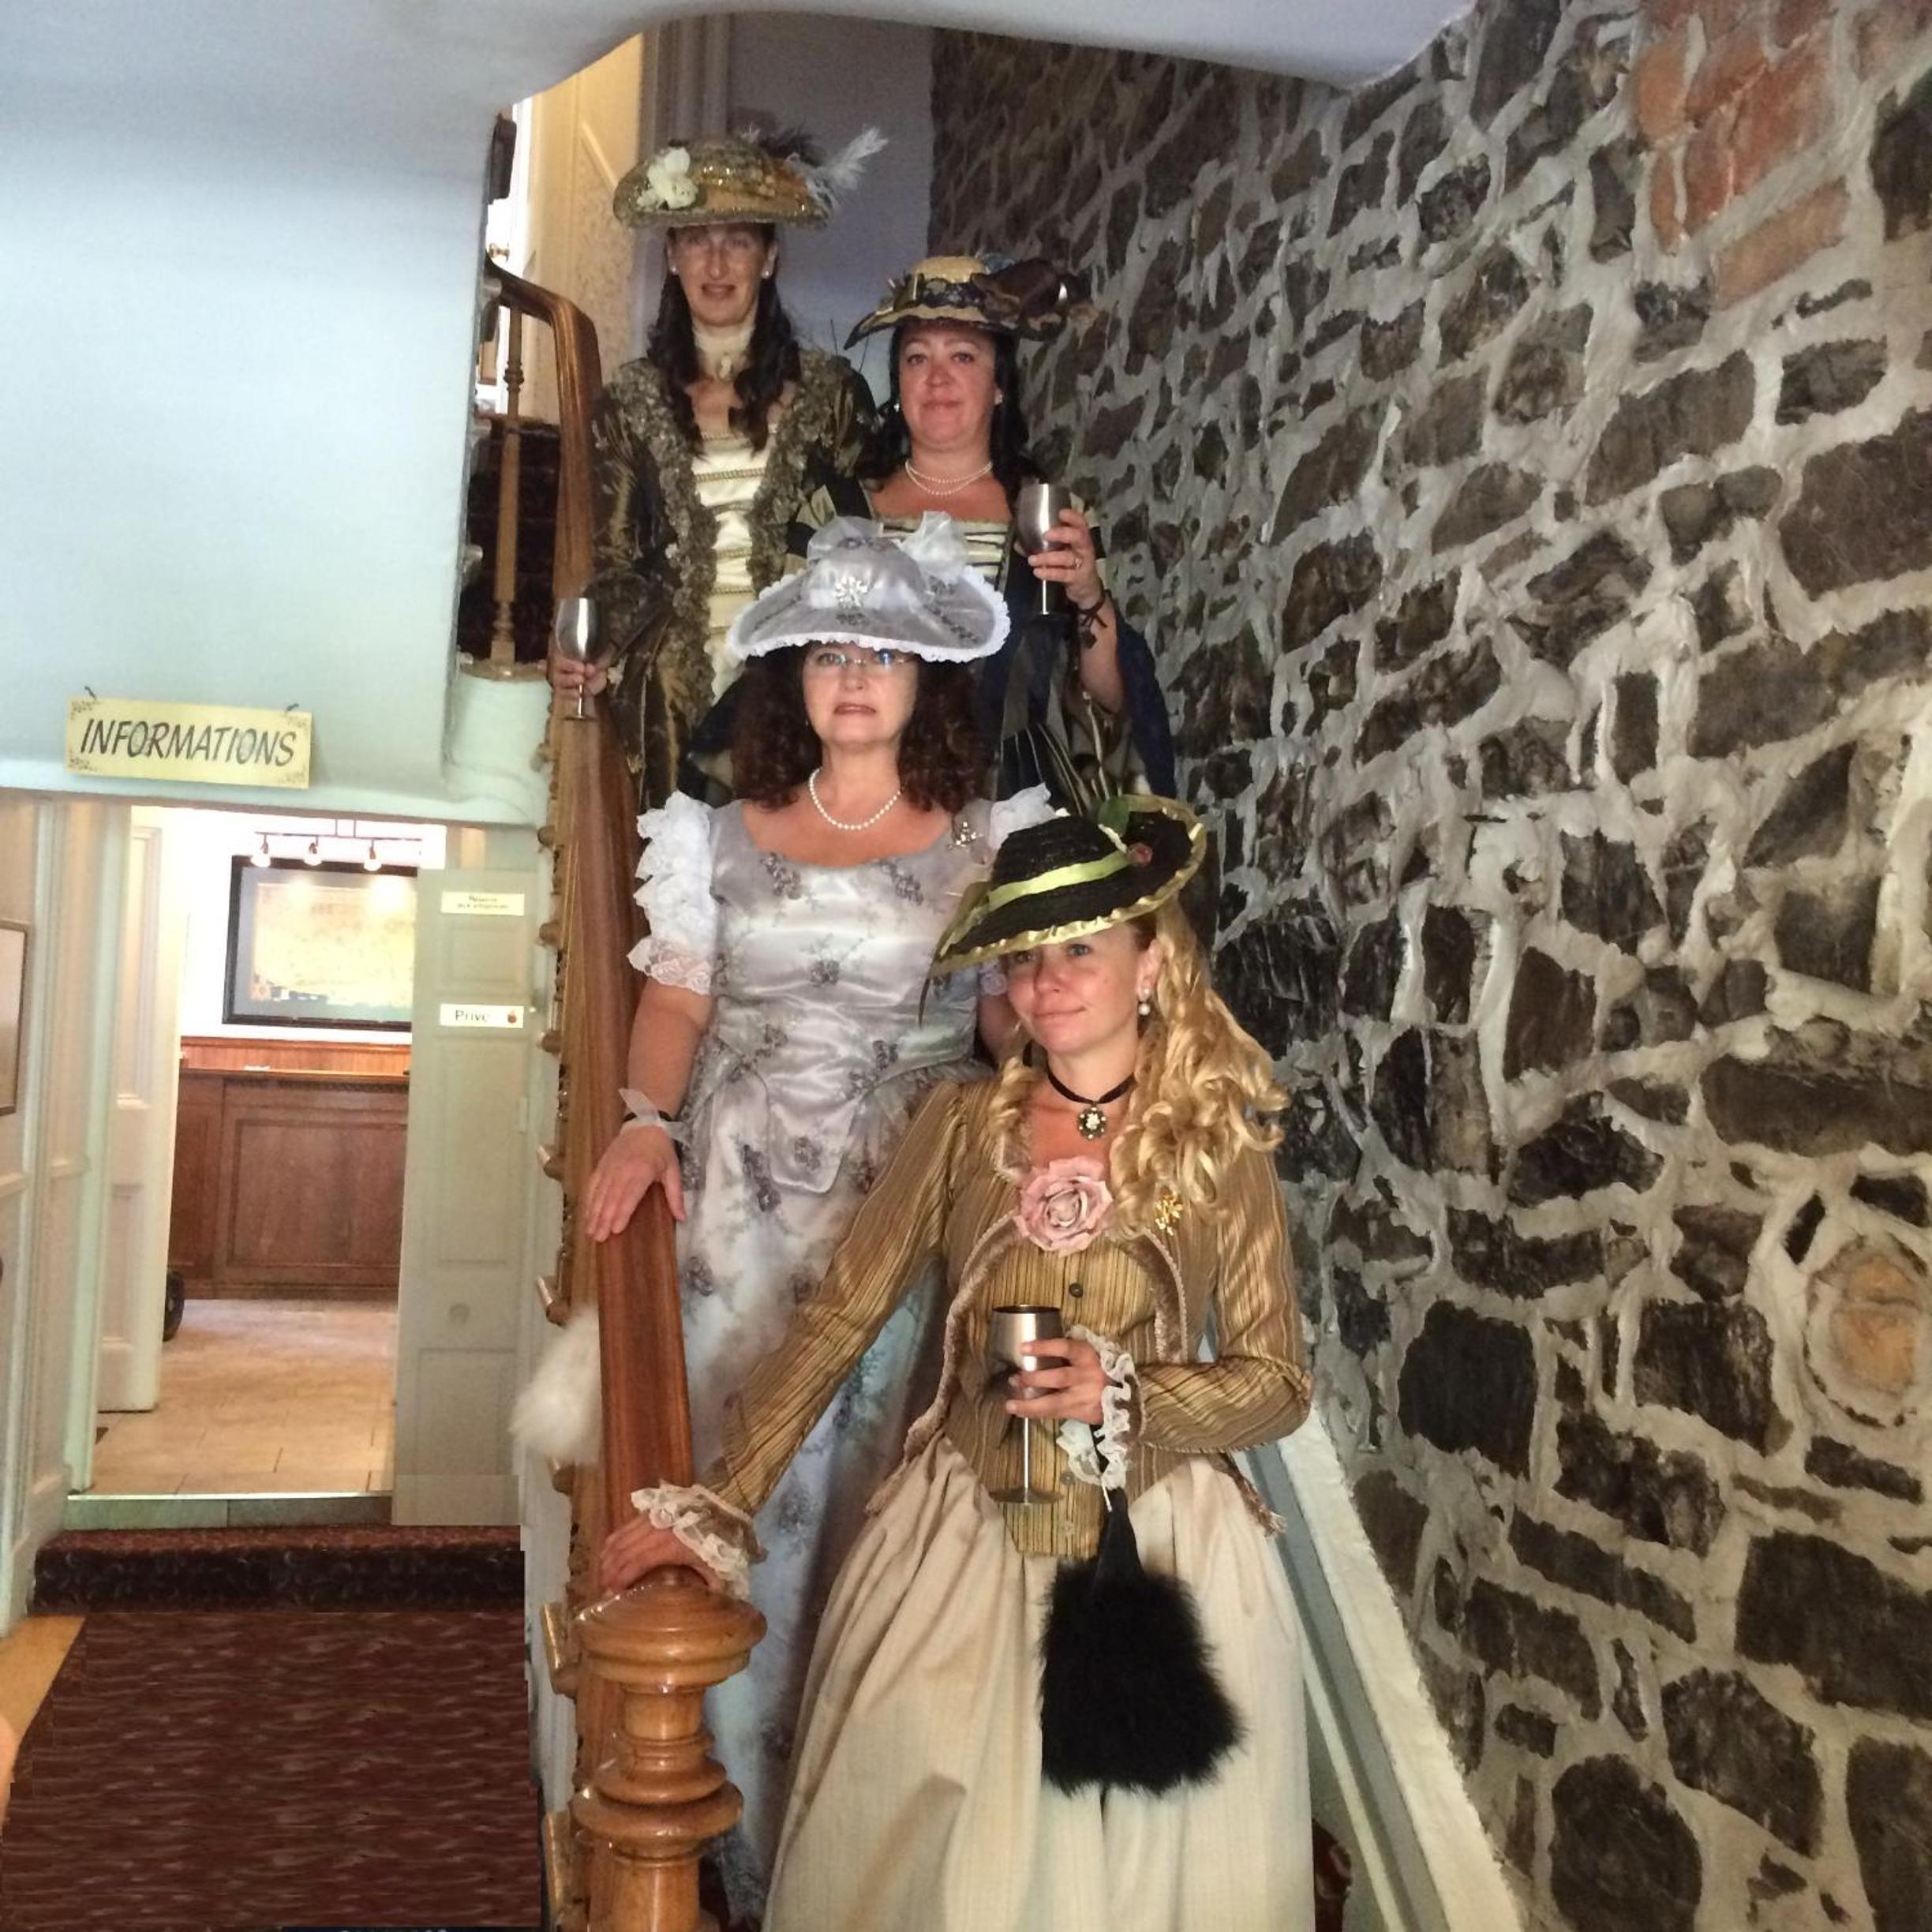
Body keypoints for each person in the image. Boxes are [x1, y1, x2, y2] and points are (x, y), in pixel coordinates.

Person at [602, 796, 1314, 1932]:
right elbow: (842, 1317)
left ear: (1149, 967)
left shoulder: (1219, 1141)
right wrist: (720, 1500)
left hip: (1161, 1548)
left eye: (1079, 951)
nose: (1047, 983)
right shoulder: (959, 1122)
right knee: (927, 1836)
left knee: (1140, 1878)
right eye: (1024, 960)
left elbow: (1278, 1383)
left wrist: (1130, 1394)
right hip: (964, 1530)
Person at [541, 515, 1050, 1920]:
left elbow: (1006, 1026)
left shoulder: (989, 840)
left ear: (924, 681)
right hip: (738, 1208)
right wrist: (642, 1122)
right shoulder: (711, 836)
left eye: (881, 655)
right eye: (831, 654)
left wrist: (1059, 1104)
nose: (855, 678)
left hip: (906, 1209)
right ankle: (730, 1833)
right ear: (795, 680)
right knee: (729, 1479)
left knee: (871, 1510)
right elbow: (679, 1000)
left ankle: (857, 1843)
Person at [698, 253, 1177, 807]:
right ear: (899, 381)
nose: (938, 378)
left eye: (963, 355)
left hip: (1003, 804)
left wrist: (1089, 595)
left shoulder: (1049, 515)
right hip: (854, 800)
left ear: (1000, 384)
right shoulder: (835, 510)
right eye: (917, 357)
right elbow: (786, 676)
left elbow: (1109, 705)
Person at [548, 128, 882, 807]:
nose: (718, 262)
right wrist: (591, 643)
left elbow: (866, 546)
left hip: (800, 672)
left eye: (739, 240)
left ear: (770, 257)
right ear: (672, 256)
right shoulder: (631, 401)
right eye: (698, 239)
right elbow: (618, 563)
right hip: (674, 685)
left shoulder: (834, 394)